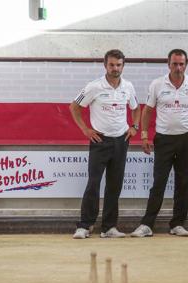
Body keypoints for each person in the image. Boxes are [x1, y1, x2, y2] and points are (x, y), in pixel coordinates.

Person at [130, 49, 188, 238]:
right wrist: (144, 136)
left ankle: (177, 224)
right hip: (164, 140)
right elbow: (147, 111)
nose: (178, 68)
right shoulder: (157, 84)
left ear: (186, 65)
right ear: (168, 64)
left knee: (184, 183)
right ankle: (146, 224)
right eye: (175, 64)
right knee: (159, 183)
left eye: (181, 64)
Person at [70, 49, 141, 239]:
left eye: (118, 65)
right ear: (105, 65)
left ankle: (109, 227)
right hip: (100, 141)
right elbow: (74, 107)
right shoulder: (94, 86)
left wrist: (134, 127)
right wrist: (86, 130)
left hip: (121, 141)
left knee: (114, 185)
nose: (115, 68)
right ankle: (85, 225)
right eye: (112, 65)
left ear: (123, 66)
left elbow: (136, 109)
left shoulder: (128, 86)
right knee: (93, 183)